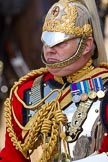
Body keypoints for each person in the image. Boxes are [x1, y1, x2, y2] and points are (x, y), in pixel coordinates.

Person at [0, 0, 108, 161]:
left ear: (86, 45)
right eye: (46, 41)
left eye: (60, 43)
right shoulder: (24, 93)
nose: (50, 49)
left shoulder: (104, 87)